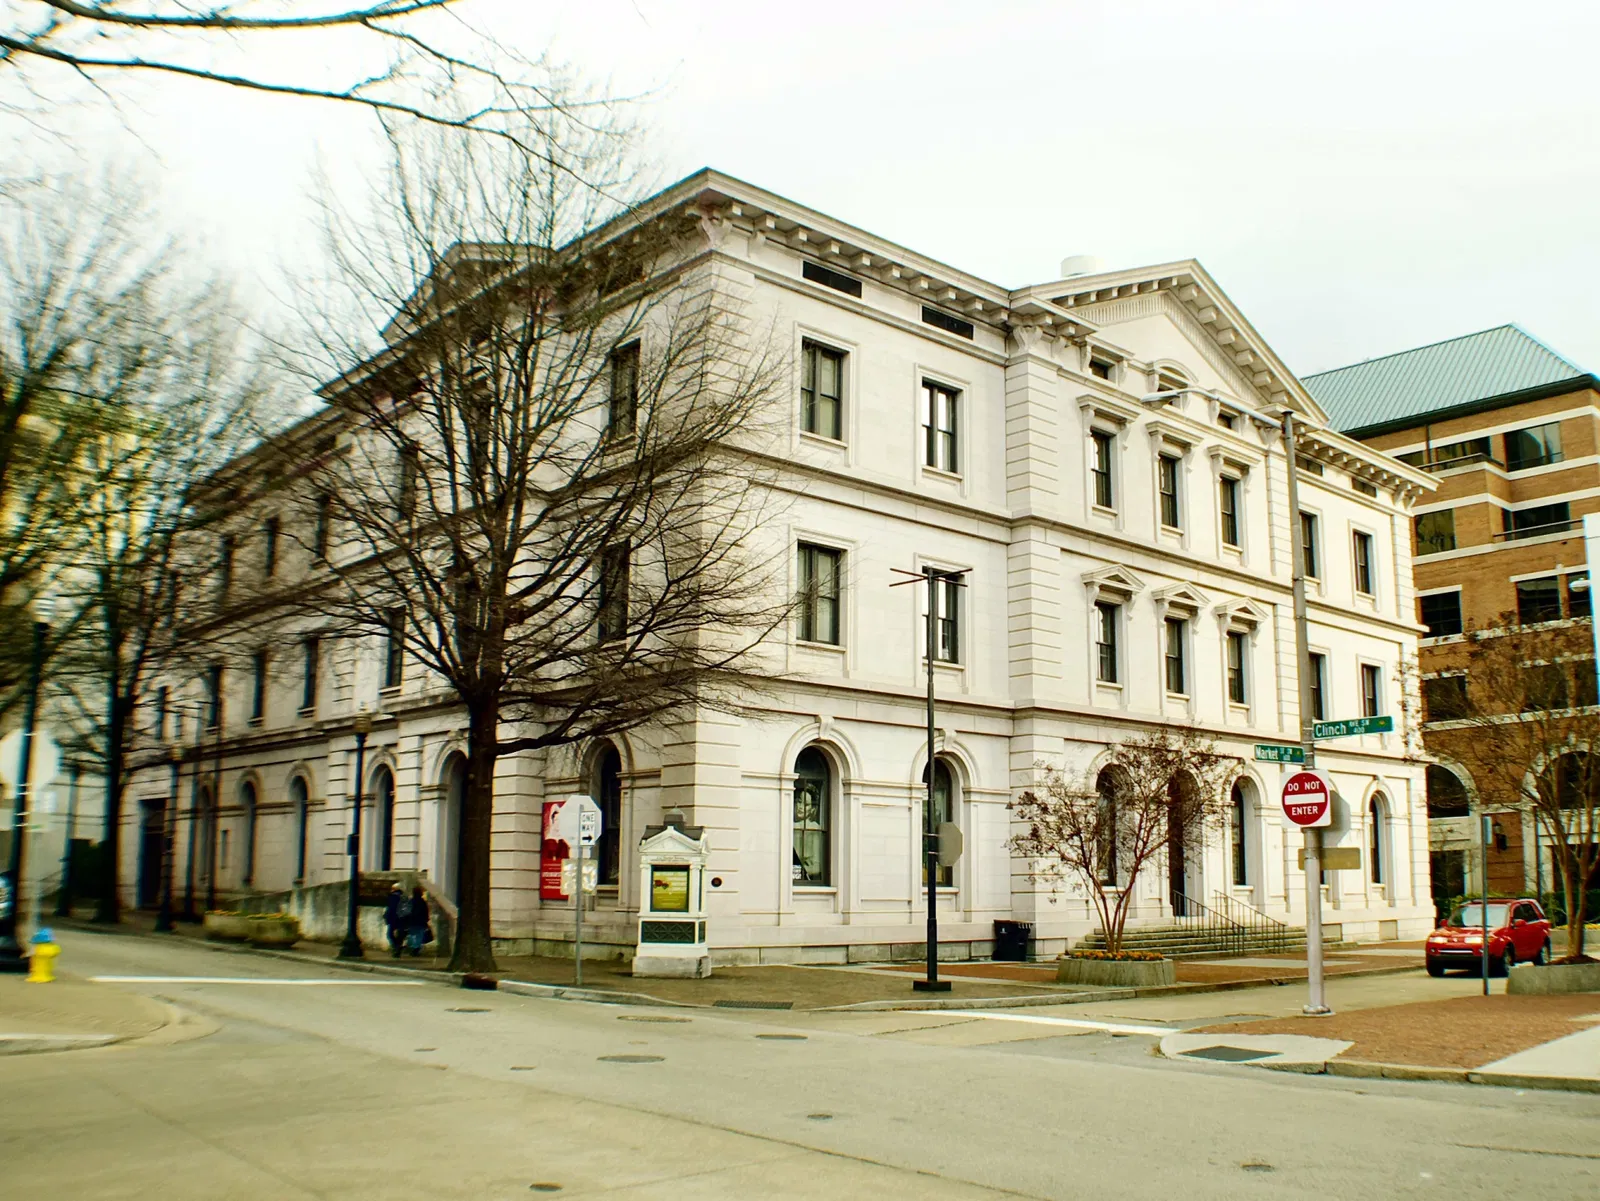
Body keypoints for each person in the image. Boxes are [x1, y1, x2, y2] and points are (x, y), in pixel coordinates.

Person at [404, 885, 431, 957]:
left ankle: (413, 947)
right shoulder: (422, 902)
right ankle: (416, 948)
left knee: (412, 935)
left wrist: (407, 920)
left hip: (412, 921)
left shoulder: (411, 901)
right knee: (419, 935)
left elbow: (407, 911)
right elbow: (426, 911)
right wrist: (427, 919)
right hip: (421, 921)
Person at [383, 882, 407, 959]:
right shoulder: (404, 897)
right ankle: (398, 947)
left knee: (390, 934)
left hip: (393, 918)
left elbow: (390, 909)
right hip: (402, 918)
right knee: (400, 935)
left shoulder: (392, 897)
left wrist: (386, 917)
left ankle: (396, 947)